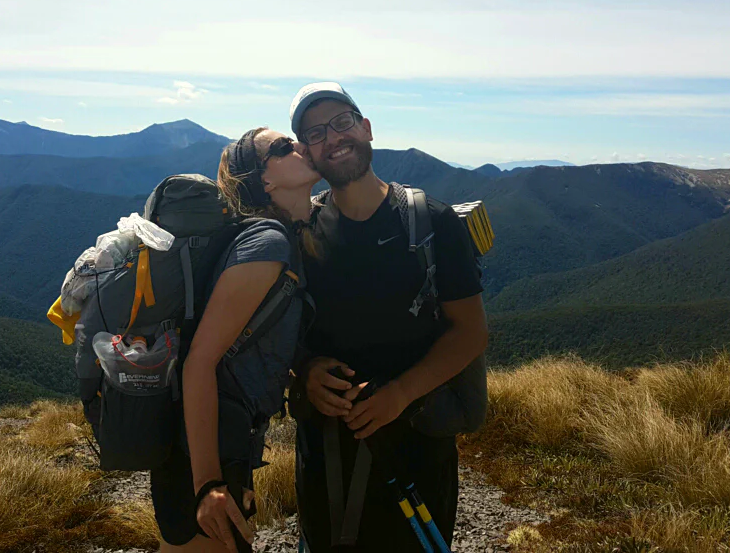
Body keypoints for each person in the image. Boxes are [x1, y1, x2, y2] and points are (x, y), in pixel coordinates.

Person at [289, 82, 489, 553]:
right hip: (325, 454)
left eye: (342, 122)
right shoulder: (299, 235)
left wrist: (400, 394)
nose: (333, 137)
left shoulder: (433, 224)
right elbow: (281, 331)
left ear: (367, 128)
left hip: (416, 447)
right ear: (307, 154)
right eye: (316, 133)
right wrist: (307, 369)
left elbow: (471, 331)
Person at [152, 126, 319, 552]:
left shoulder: (281, 235)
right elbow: (200, 361)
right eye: (284, 147)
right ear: (265, 181)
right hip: (202, 458)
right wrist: (208, 484)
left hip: (218, 445)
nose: (300, 145)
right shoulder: (267, 242)